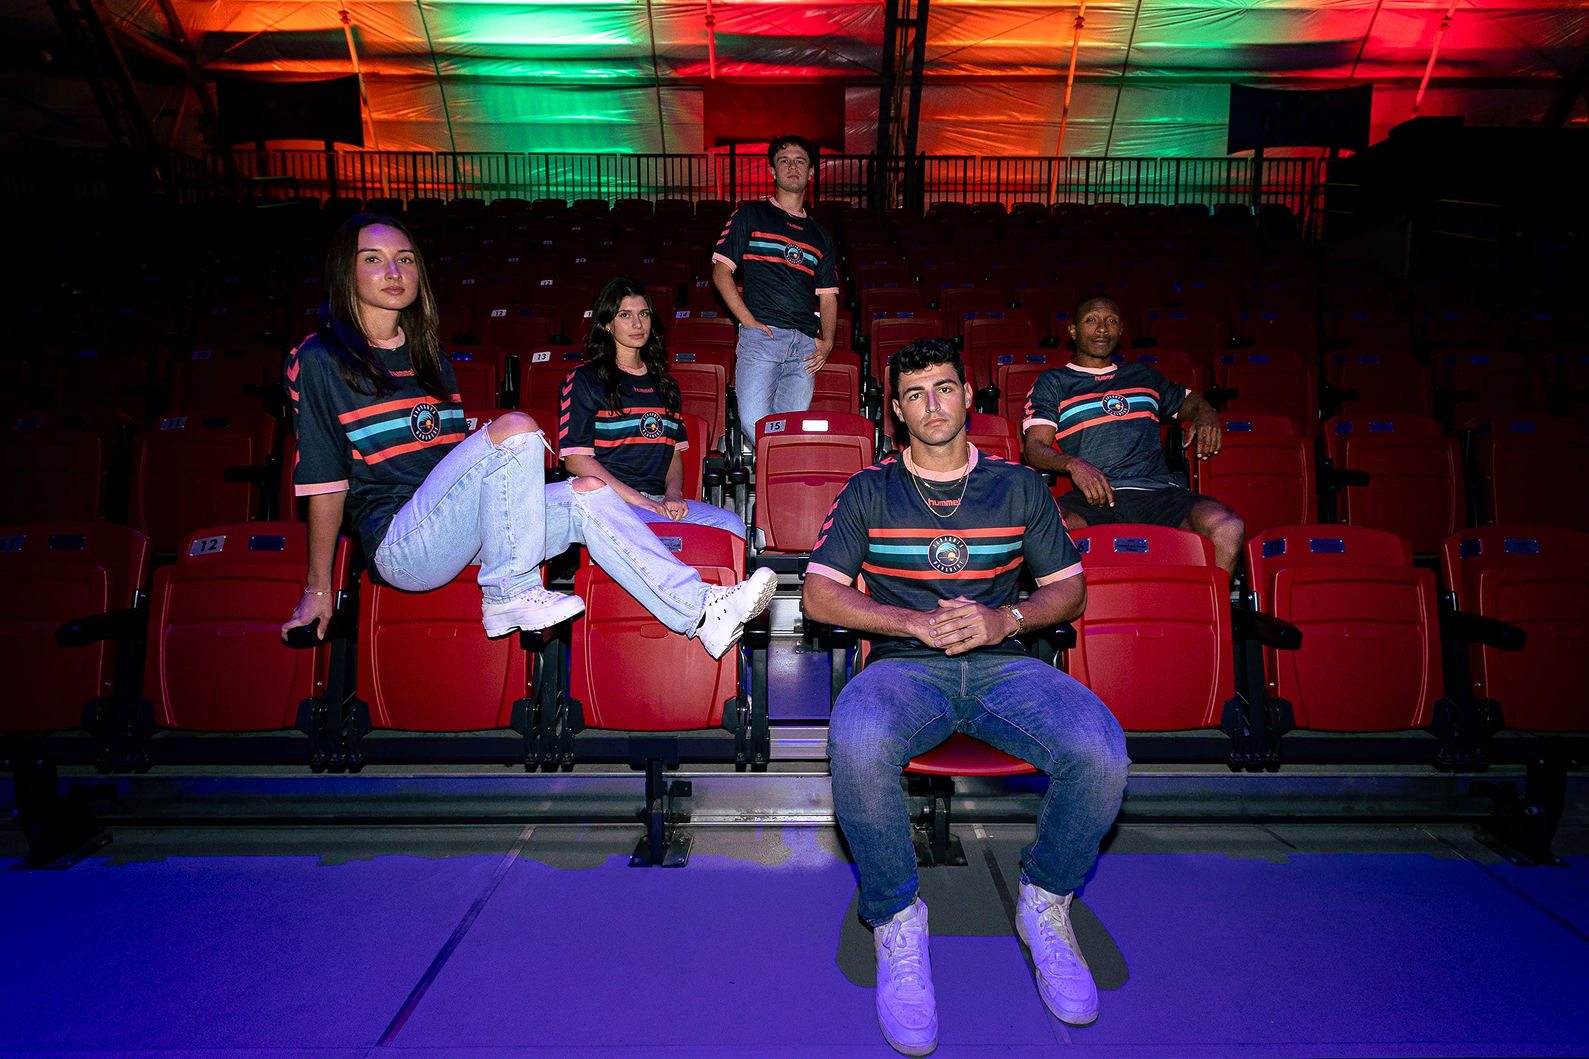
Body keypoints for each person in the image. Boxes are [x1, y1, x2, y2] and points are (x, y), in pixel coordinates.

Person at [803, 338, 1129, 1056]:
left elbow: (1067, 587)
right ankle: (895, 916)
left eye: (944, 388)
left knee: (1100, 749)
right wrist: (909, 620)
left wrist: (1003, 618)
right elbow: (819, 592)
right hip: (902, 665)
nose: (932, 404)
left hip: (1001, 660)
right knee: (855, 740)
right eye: (915, 394)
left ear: (967, 398)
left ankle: (1044, 900)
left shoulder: (1017, 486)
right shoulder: (868, 489)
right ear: (895, 410)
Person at [279, 213, 775, 657]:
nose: (394, 272)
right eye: (374, 259)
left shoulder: (430, 358)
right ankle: (508, 592)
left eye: (405, 259)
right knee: (517, 429)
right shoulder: (319, 359)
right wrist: (318, 587)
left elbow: (453, 467)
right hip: (402, 544)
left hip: (463, 531)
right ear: (348, 270)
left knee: (589, 493)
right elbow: (325, 482)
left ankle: (702, 611)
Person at [1020, 294, 1245, 575]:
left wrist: (1207, 413)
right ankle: (1070, 616)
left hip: (1160, 494)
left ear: (1121, 330)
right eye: (1091, 321)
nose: (1102, 329)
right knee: (1049, 531)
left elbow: (1191, 402)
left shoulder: (1143, 376)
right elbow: (1035, 447)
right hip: (1095, 499)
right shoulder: (1054, 382)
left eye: (1111, 321)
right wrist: (1073, 464)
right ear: (1073, 331)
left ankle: (1215, 614)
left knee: (1227, 527)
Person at [559, 276, 745, 538]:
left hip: (657, 502)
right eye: (625, 315)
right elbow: (576, 460)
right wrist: (639, 500)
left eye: (643, 314)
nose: (638, 324)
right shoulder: (584, 379)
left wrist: (673, 495)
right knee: (656, 532)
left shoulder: (665, 384)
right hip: (608, 501)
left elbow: (674, 455)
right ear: (607, 324)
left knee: (732, 527)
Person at [711, 134, 840, 442]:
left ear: (811, 172)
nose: (791, 166)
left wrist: (828, 341)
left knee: (791, 431)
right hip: (763, 336)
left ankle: (776, 486)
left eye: (800, 161)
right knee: (755, 421)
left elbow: (829, 296)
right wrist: (748, 321)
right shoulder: (750, 214)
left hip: (805, 345)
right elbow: (720, 272)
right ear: (772, 171)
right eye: (783, 161)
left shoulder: (820, 236)